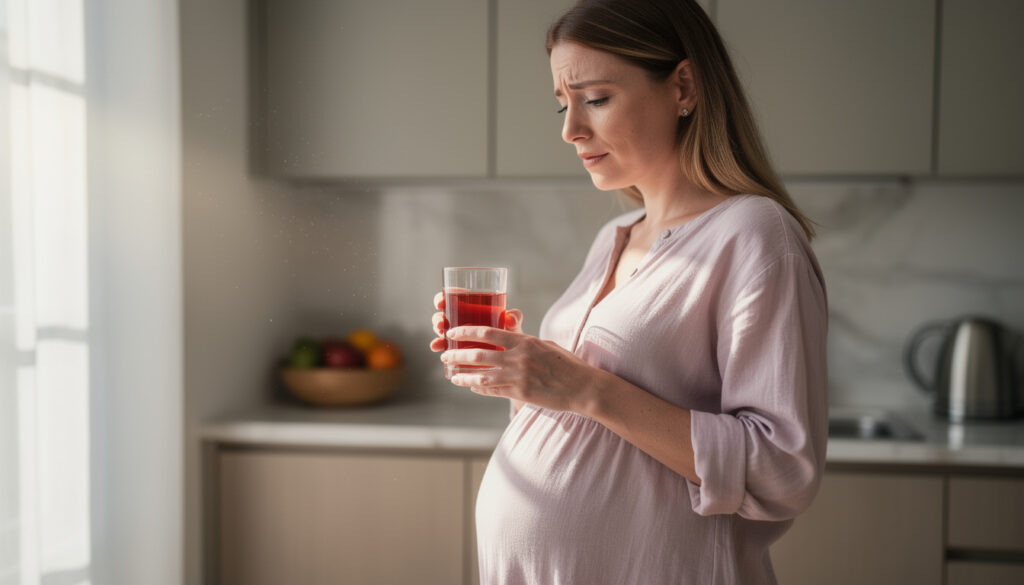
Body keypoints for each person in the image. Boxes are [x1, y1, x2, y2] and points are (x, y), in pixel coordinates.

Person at [429, 0, 828, 583]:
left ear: (683, 86)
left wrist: (583, 386)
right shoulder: (613, 237)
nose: (569, 130)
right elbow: (593, 424)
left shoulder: (754, 234)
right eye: (563, 105)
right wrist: (522, 368)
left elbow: (781, 469)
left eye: (595, 99)